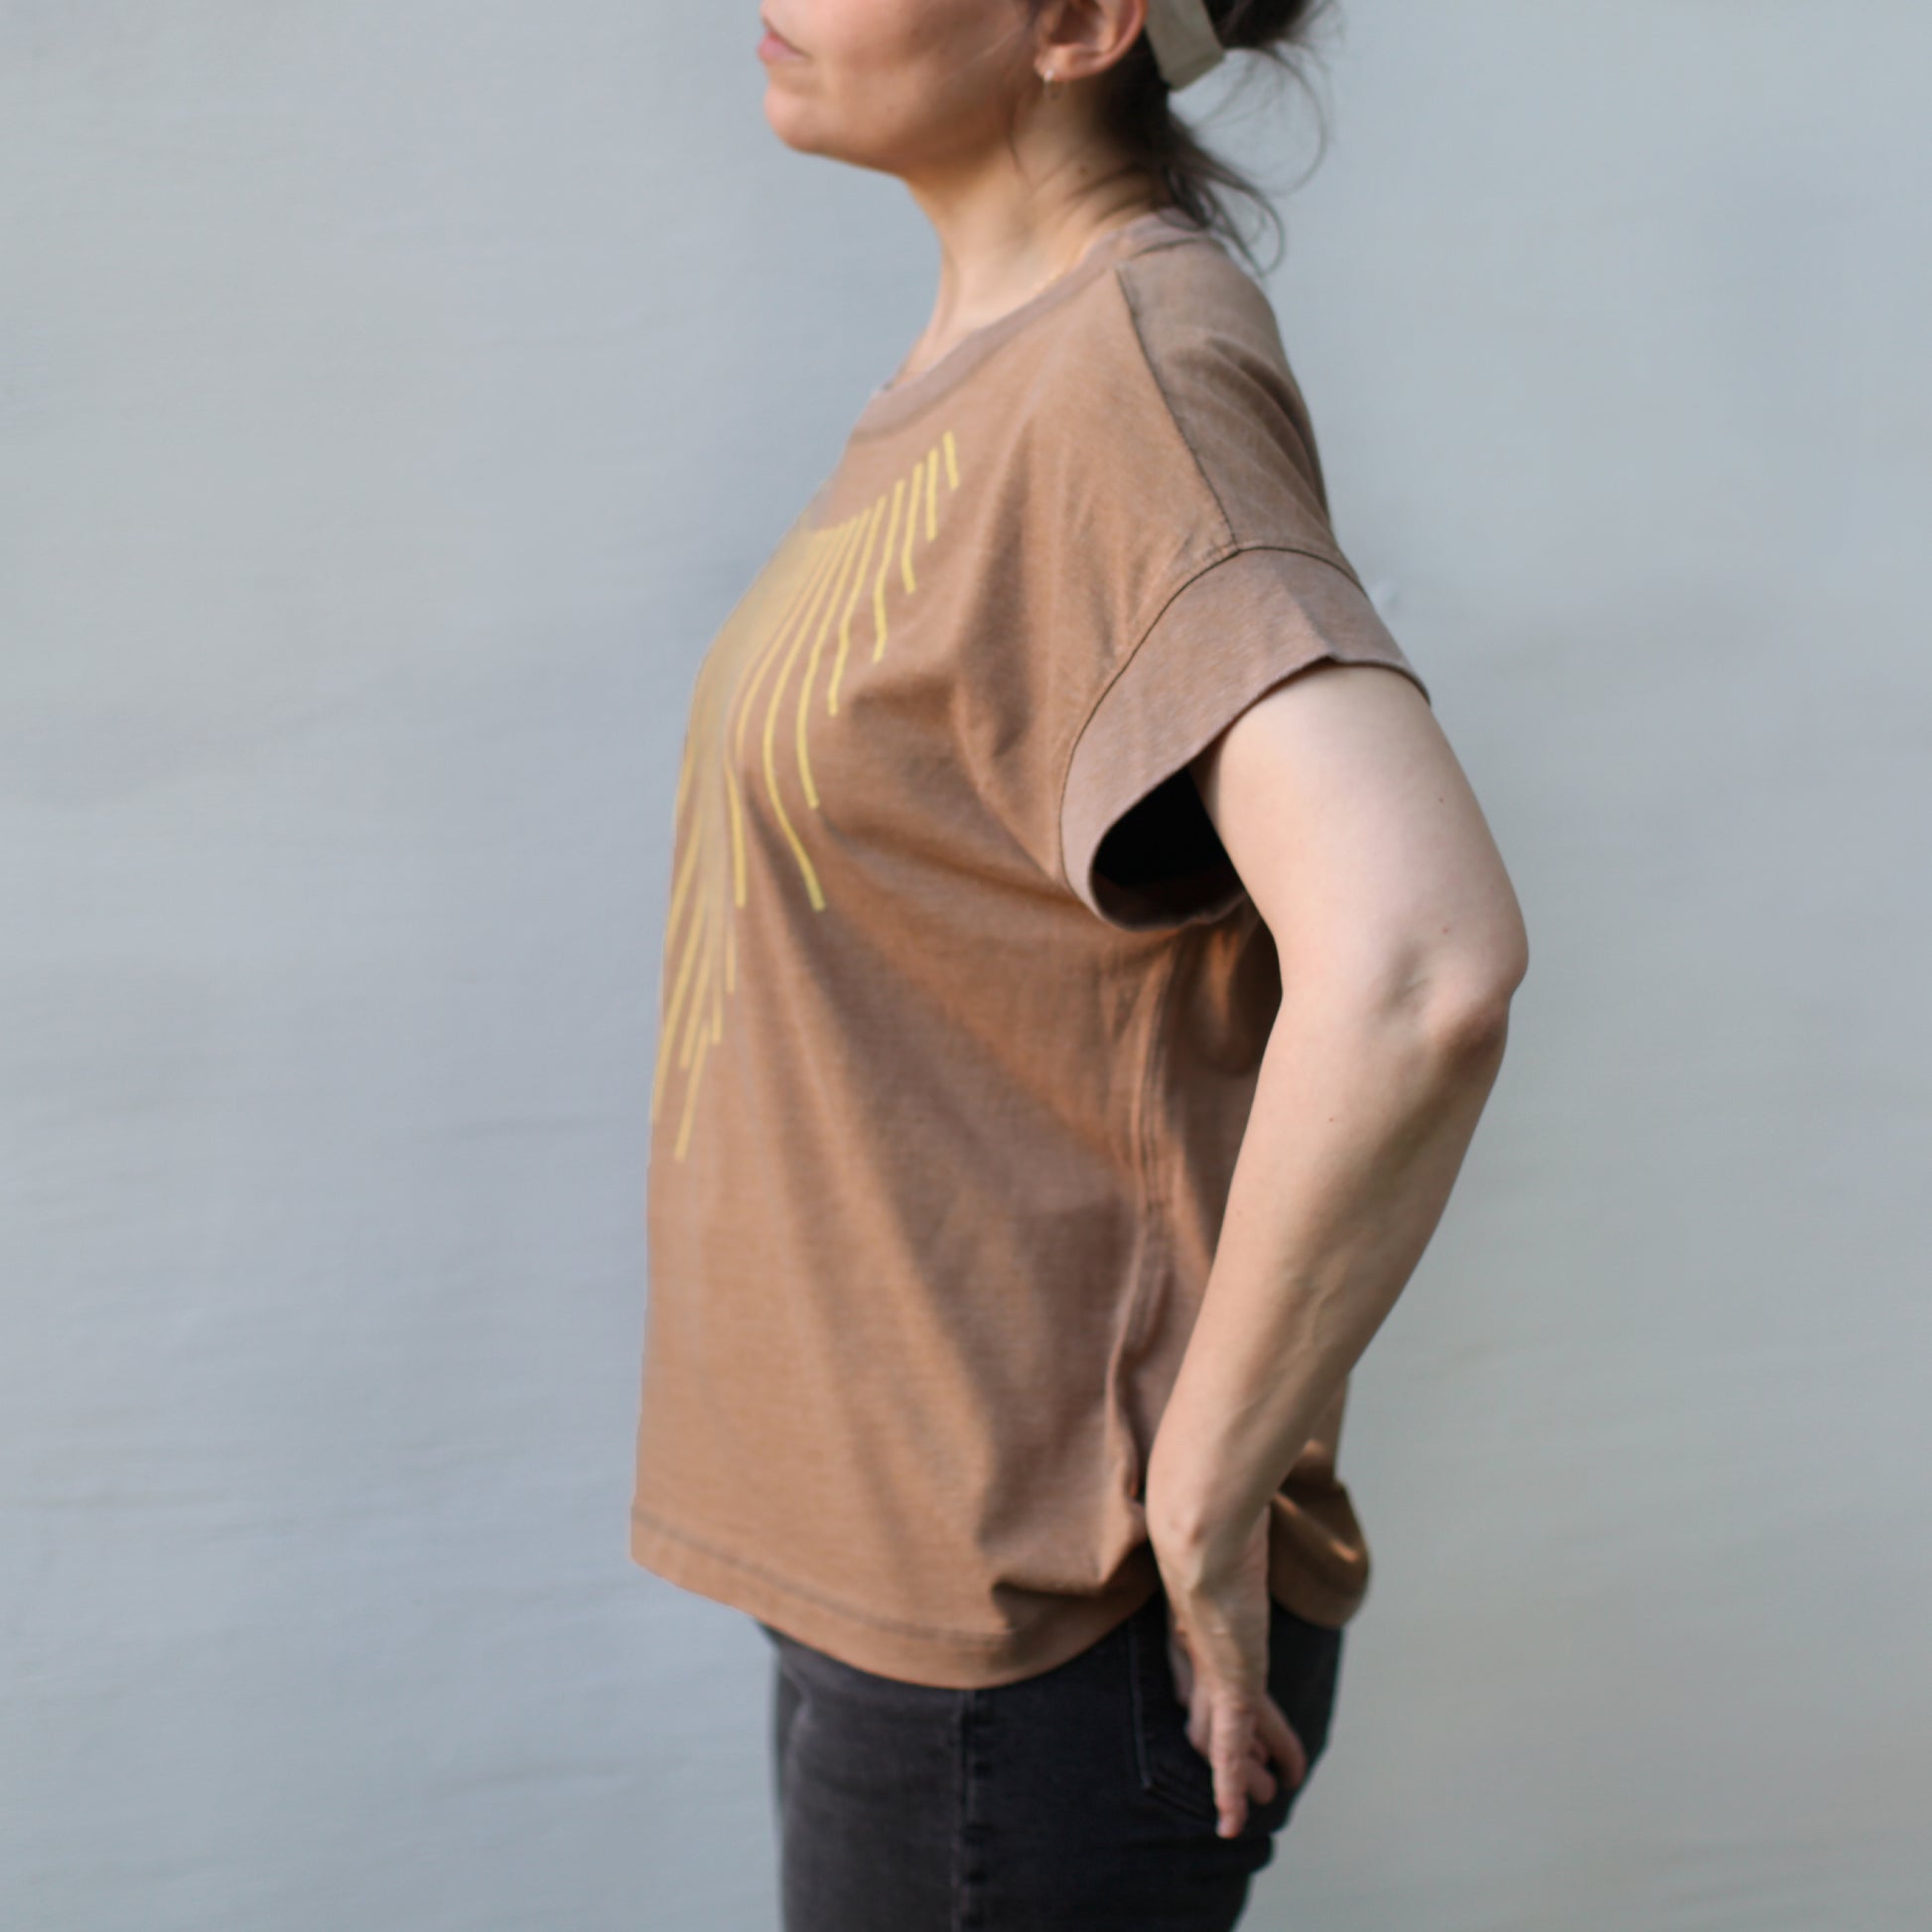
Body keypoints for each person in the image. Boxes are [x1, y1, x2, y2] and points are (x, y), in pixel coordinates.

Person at [630, 2, 1530, 1925]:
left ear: (1078, 21)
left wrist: (1205, 1482)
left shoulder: (1126, 374)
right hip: (909, 1569)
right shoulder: (996, 367)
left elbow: (1418, 955)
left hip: (1033, 1622)